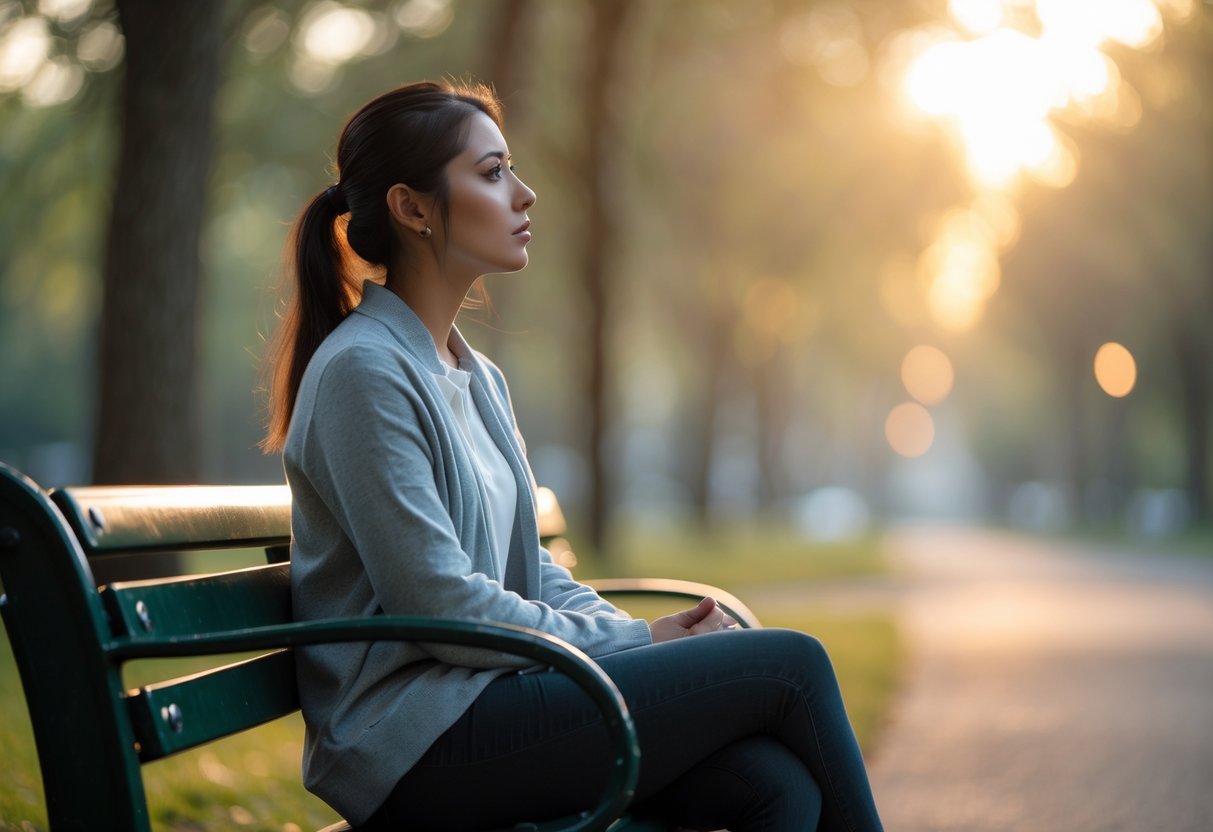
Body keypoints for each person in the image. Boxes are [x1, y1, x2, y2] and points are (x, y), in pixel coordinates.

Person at [263, 79, 884, 832]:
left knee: (773, 786)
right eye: (491, 174)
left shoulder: (473, 375)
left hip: (485, 701)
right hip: (413, 742)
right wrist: (632, 642)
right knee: (790, 665)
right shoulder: (363, 373)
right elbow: (438, 605)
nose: (524, 195)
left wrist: (632, 640)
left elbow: (533, 568)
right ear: (412, 207)